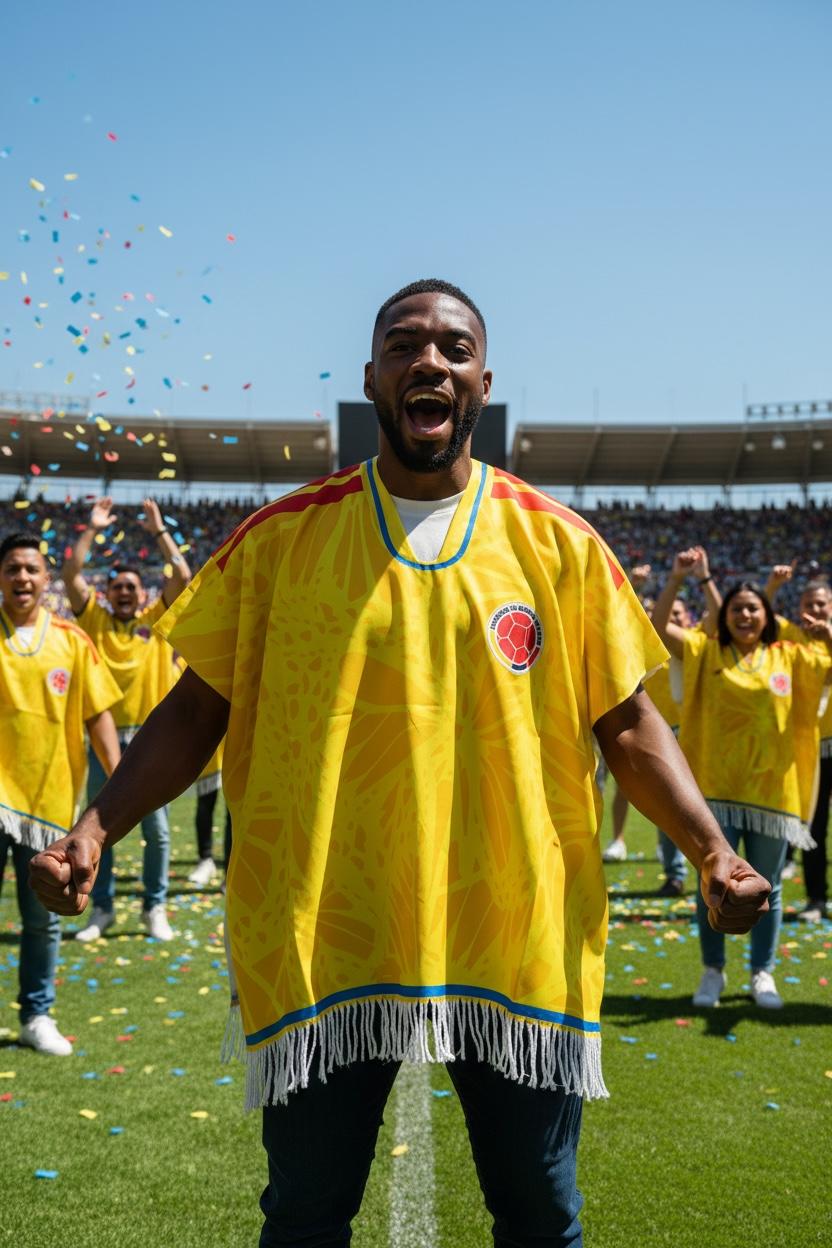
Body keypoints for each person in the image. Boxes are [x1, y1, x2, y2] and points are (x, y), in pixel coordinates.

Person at [31, 280, 770, 1247]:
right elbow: (197, 709)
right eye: (405, 345)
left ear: (483, 382)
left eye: (454, 349)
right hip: (331, 924)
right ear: (373, 376)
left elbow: (626, 722)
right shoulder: (281, 541)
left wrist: (712, 849)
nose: (432, 362)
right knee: (306, 1215)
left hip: (514, 923)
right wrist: (95, 827)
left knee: (542, 1215)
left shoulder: (561, 545)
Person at [653, 550, 831, 1011]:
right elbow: (655, 631)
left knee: (766, 887)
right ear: (725, 616)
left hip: (772, 795)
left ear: (766, 614)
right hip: (713, 792)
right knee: (711, 885)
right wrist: (675, 579)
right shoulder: (704, 650)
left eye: (753, 608)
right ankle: (713, 970)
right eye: (737, 609)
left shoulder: (790, 655)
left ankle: (762, 972)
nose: (746, 615)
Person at [0, 532, 120, 1054]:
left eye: (30, 569)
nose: (21, 577)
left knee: (43, 916)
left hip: (48, 804)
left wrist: (118, 790)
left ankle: (37, 1015)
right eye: (11, 569)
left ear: (47, 579)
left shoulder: (73, 640)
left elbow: (99, 714)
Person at [61, 496, 191, 941]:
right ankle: (103, 909)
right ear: (108, 592)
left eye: (132, 586)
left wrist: (157, 529)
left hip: (150, 741)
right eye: (118, 586)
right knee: (100, 832)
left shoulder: (156, 621)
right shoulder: (93, 621)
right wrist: (93, 527)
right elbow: (71, 575)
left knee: (156, 832)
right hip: (103, 741)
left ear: (143, 594)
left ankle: (154, 908)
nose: (125, 592)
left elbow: (182, 576)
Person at [766, 562, 832, 921]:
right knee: (814, 826)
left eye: (821, 603)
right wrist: (773, 585)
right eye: (808, 603)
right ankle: (817, 900)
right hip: (814, 746)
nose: (815, 610)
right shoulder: (790, 635)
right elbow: (759, 617)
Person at [189, 740, 232, 886]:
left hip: (238, 742)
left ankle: (231, 874)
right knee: (204, 806)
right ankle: (205, 860)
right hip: (212, 746)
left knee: (233, 813)